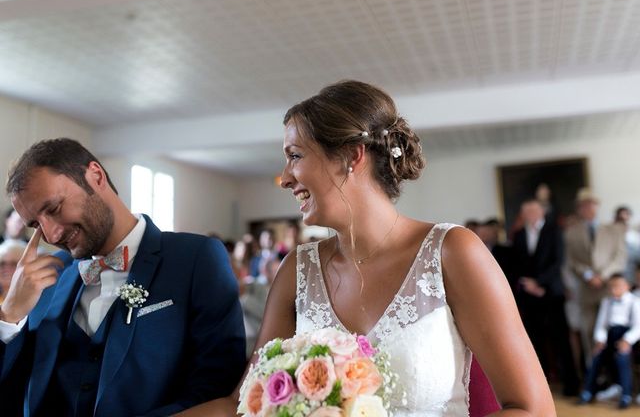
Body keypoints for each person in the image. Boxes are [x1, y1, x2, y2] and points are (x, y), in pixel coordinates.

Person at [179, 80, 554, 416]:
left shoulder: (452, 252)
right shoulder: (298, 268)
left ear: (351, 156)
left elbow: (533, 408)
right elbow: (243, 403)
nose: (285, 177)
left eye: (295, 155)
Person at [0, 138, 246, 416]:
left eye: (54, 209)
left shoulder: (196, 258)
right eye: (35, 225)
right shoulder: (47, 275)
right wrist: (8, 317)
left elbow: (218, 388)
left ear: (96, 176)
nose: (52, 235)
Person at [512, 198, 579, 395]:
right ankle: (541, 387)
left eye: (533, 211)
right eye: (526, 212)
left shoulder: (553, 231)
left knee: (561, 339)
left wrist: (540, 283)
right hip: (529, 296)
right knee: (534, 340)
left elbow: (558, 261)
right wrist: (529, 284)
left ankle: (571, 384)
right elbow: (516, 264)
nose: (529, 215)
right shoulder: (518, 235)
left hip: (552, 293)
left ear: (542, 213)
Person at [565, 188, 627, 361]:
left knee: (614, 333)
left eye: (591, 204)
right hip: (587, 291)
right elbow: (572, 261)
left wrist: (603, 275)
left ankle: (617, 379)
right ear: (579, 208)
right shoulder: (572, 233)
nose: (588, 208)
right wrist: (588, 275)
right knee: (590, 333)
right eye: (583, 205)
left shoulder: (613, 230)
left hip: (610, 290)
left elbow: (619, 257)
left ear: (597, 206)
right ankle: (595, 379)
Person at [578, 274, 640, 409]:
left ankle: (626, 394)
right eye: (611, 286)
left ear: (627, 286)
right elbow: (601, 325)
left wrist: (627, 340)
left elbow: (637, 326)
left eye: (617, 286)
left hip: (626, 337)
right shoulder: (607, 302)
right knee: (596, 357)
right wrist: (600, 339)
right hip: (610, 336)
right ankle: (588, 391)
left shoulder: (634, 302)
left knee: (622, 359)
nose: (613, 289)